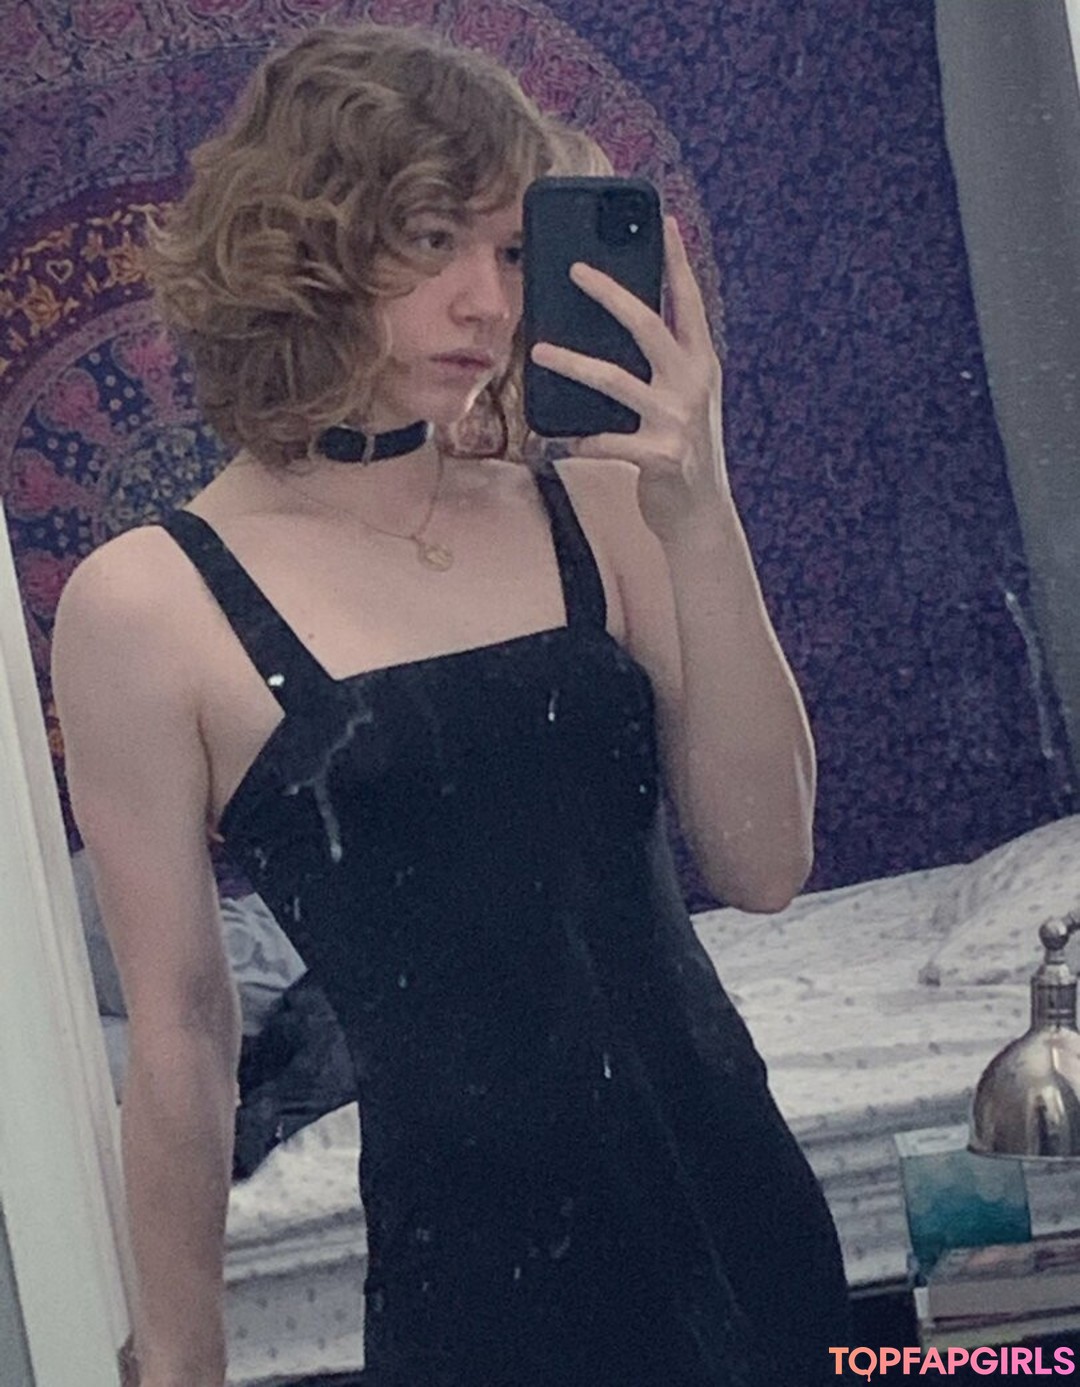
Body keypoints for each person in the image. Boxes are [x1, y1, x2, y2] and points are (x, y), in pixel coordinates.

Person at [52, 23, 852, 1387]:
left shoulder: (601, 508)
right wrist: (179, 1359)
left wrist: (699, 505)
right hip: (476, 1283)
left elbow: (767, 865)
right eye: (434, 241)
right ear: (301, 245)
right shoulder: (149, 605)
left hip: (741, 1211)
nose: (488, 303)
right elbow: (182, 1033)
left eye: (512, 251)